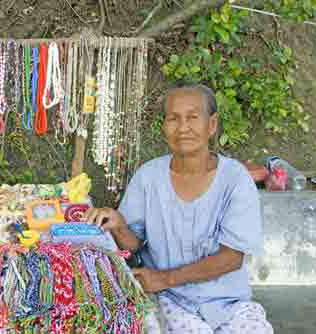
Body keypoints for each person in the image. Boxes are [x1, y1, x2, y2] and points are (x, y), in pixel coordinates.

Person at [86, 83, 273, 334]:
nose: (183, 127)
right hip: (168, 300)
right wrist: (119, 225)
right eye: (173, 118)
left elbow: (231, 259)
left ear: (212, 124)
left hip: (227, 303)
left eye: (193, 117)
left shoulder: (235, 179)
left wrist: (163, 278)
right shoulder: (149, 176)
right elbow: (135, 244)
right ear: (164, 126)